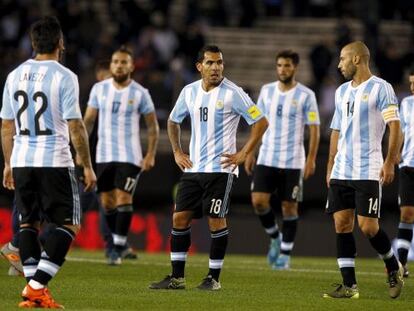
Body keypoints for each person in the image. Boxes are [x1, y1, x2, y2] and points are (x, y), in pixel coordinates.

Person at [149, 45, 268, 291]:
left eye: (220, 63)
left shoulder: (234, 93)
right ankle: (177, 277)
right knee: (179, 218)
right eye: (211, 63)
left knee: (216, 219)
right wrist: (177, 152)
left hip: (221, 170)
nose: (216, 68)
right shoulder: (189, 92)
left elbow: (261, 122)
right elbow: (173, 121)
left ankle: (213, 278)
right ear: (199, 66)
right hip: (193, 169)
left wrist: (244, 153)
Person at [1, 16, 96, 308]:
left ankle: (35, 293)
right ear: (60, 43)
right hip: (54, 159)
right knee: (70, 224)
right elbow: (76, 125)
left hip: (22, 159)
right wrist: (87, 164)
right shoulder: (64, 76)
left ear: (32, 43)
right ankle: (36, 287)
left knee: (28, 223)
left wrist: (7, 163)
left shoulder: (14, 75)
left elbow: (6, 126)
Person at [324, 41, 404, 299]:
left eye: (342, 59)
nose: (339, 65)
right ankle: (349, 285)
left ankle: (393, 266)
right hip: (341, 170)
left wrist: (390, 161)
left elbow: (395, 127)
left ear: (357, 59)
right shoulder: (341, 91)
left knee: (368, 227)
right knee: (342, 224)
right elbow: (336, 129)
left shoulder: (382, 88)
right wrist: (330, 165)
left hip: (368, 168)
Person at [82, 46, 160, 265]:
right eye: (116, 62)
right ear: (111, 65)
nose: (119, 65)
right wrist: (81, 151)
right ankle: (118, 244)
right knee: (107, 203)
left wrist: (150, 154)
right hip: (104, 155)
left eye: (124, 62)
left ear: (131, 66)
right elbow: (87, 121)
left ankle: (117, 246)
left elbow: (153, 126)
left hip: (130, 155)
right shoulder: (99, 89)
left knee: (124, 198)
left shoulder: (140, 93)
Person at [244, 50, 320, 270]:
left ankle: (285, 255)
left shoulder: (306, 95)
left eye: (286, 65)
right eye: (279, 65)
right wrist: (250, 151)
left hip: (293, 161)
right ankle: (275, 237)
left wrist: (312, 158)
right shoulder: (267, 91)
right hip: (267, 156)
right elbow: (258, 123)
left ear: (294, 67)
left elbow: (314, 129)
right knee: (258, 201)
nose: (282, 69)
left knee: (289, 208)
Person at [396, 68, 414, 278]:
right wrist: (395, 155)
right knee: (406, 214)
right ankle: (401, 262)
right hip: (408, 166)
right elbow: (400, 131)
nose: (412, 87)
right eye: (411, 83)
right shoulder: (407, 103)